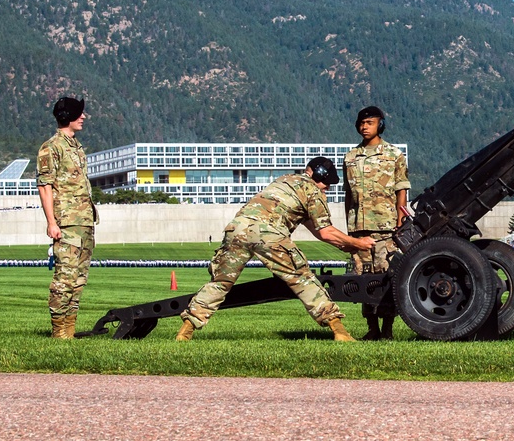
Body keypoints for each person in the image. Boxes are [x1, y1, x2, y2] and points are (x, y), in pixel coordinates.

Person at [176, 157, 374, 342]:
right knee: (302, 278)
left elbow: (315, 229)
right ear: (319, 176)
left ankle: (186, 331)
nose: (327, 189)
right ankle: (339, 330)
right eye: (327, 183)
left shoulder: (284, 181)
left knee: (220, 283)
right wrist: (359, 243)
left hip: (236, 229)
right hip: (268, 232)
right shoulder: (312, 190)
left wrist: (346, 245)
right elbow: (325, 232)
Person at [342, 106, 410, 340]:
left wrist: (401, 218)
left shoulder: (394, 155)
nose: (364, 127)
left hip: (386, 227)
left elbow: (402, 188)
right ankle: (372, 329)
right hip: (359, 229)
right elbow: (348, 194)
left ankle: (388, 330)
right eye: (361, 123)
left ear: (380, 124)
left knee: (387, 278)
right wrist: (349, 227)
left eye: (369, 122)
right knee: (363, 279)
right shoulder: (350, 157)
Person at [36, 96, 97, 340]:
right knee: (65, 277)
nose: (83, 117)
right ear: (66, 117)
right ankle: (59, 330)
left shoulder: (76, 147)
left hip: (84, 221)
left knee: (79, 278)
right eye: (78, 113)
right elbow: (45, 186)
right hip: (67, 222)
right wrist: (51, 222)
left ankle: (69, 328)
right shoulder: (51, 147)